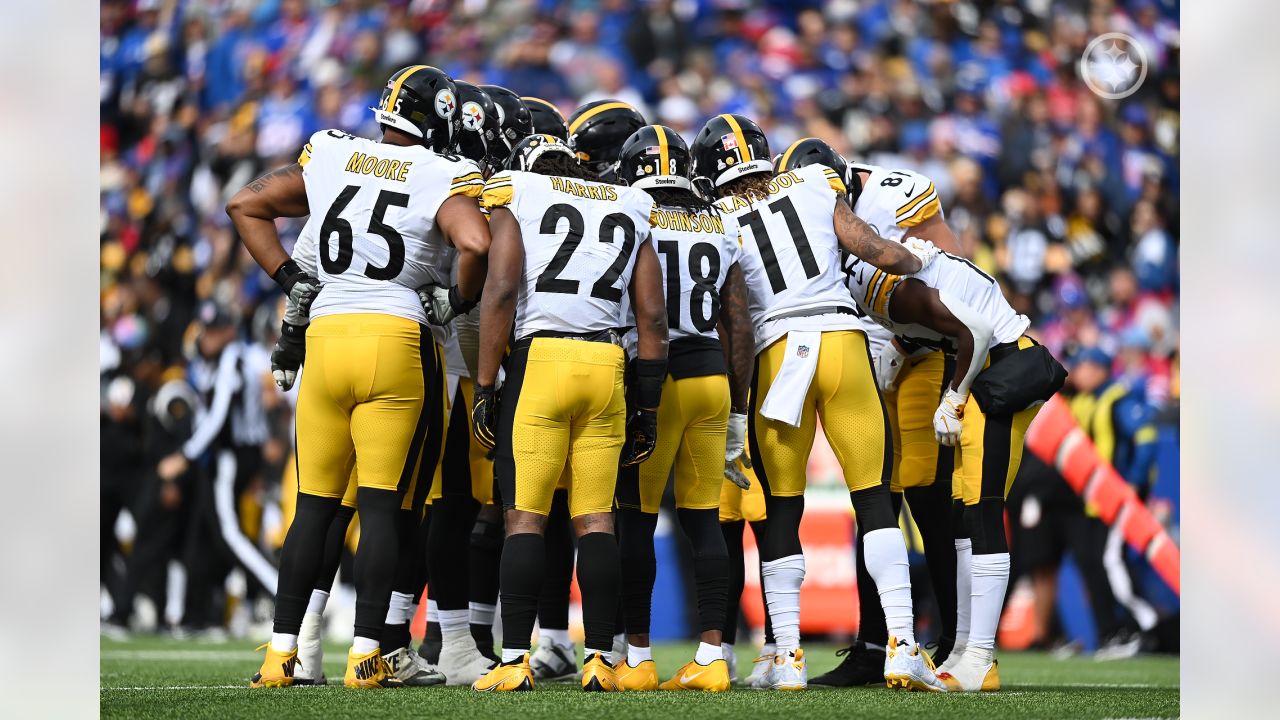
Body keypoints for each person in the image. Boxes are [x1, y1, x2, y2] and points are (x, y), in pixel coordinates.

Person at [229, 64, 490, 689]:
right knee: (381, 510)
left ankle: (281, 655)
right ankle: (370, 654)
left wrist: (293, 281)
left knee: (315, 508)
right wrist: (453, 301)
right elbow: (476, 243)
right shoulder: (443, 173)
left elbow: (245, 204)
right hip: (394, 337)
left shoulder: (332, 154)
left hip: (325, 332)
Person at [690, 114, 944, 692]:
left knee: (782, 508)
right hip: (843, 342)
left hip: (777, 353)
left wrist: (737, 397)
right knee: (876, 501)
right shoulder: (811, 182)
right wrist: (924, 263)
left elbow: (733, 318)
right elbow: (874, 248)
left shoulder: (715, 217)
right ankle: (903, 645)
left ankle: (788, 659)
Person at [469, 134, 668, 693]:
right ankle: (601, 659)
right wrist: (647, 405)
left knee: (526, 517)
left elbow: (502, 288)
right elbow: (652, 318)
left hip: (542, 359)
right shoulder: (628, 202)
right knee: (596, 519)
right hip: (606, 362)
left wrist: (486, 384)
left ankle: (513, 661)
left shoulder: (521, 191)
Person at [774, 138, 966, 685]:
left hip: (925, 351)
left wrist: (904, 343)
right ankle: (872, 644)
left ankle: (954, 642)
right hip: (859, 349)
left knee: (929, 499)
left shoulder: (891, 191)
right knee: (876, 498)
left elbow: (956, 277)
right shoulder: (800, 204)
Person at [846, 236, 1065, 692]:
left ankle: (981, 657)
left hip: (1003, 367)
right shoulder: (892, 276)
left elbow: (977, 329)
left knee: (982, 510)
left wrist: (953, 398)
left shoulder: (882, 285)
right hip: (987, 367)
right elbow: (933, 319)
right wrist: (900, 350)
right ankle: (966, 647)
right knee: (965, 512)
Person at [610, 125, 753, 692]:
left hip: (657, 376)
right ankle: (712, 654)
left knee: (638, 520)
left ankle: (639, 656)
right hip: (711, 376)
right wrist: (739, 405)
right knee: (703, 519)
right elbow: (737, 321)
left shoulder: (632, 213)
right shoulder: (719, 221)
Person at [155, 300, 276, 634]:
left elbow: (219, 415)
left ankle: (282, 596)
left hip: (231, 454)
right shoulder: (216, 359)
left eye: (214, 330)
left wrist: (186, 455)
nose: (207, 337)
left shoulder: (232, 358)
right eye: (206, 330)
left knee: (229, 534)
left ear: (228, 331)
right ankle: (200, 613)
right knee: (206, 533)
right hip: (224, 454)